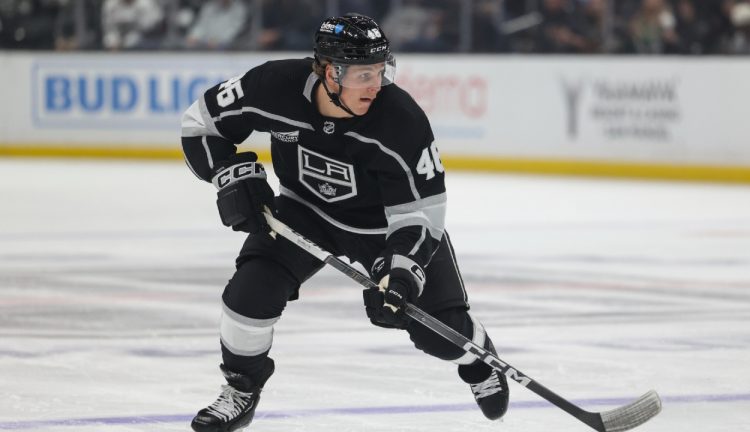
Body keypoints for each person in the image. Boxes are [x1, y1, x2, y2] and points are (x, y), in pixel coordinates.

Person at [180, 14, 509, 432]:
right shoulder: (273, 86)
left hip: (385, 231)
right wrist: (229, 174)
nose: (376, 84)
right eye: (363, 74)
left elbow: (422, 213)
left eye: (381, 70)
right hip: (304, 212)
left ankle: (479, 362)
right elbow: (200, 124)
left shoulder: (401, 120)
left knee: (438, 334)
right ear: (329, 72)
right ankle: (242, 390)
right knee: (247, 297)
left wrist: (401, 274)